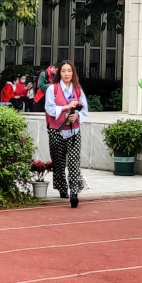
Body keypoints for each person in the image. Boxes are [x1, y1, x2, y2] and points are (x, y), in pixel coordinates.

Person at [45, 60, 89, 208]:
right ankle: (62, 189)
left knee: (73, 163)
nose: (66, 74)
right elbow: (49, 109)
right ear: (59, 73)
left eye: (69, 71)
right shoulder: (53, 89)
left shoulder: (77, 89)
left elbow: (84, 110)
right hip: (56, 131)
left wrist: (77, 116)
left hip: (74, 132)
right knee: (58, 163)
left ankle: (74, 192)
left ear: (73, 73)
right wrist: (66, 107)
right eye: (63, 71)